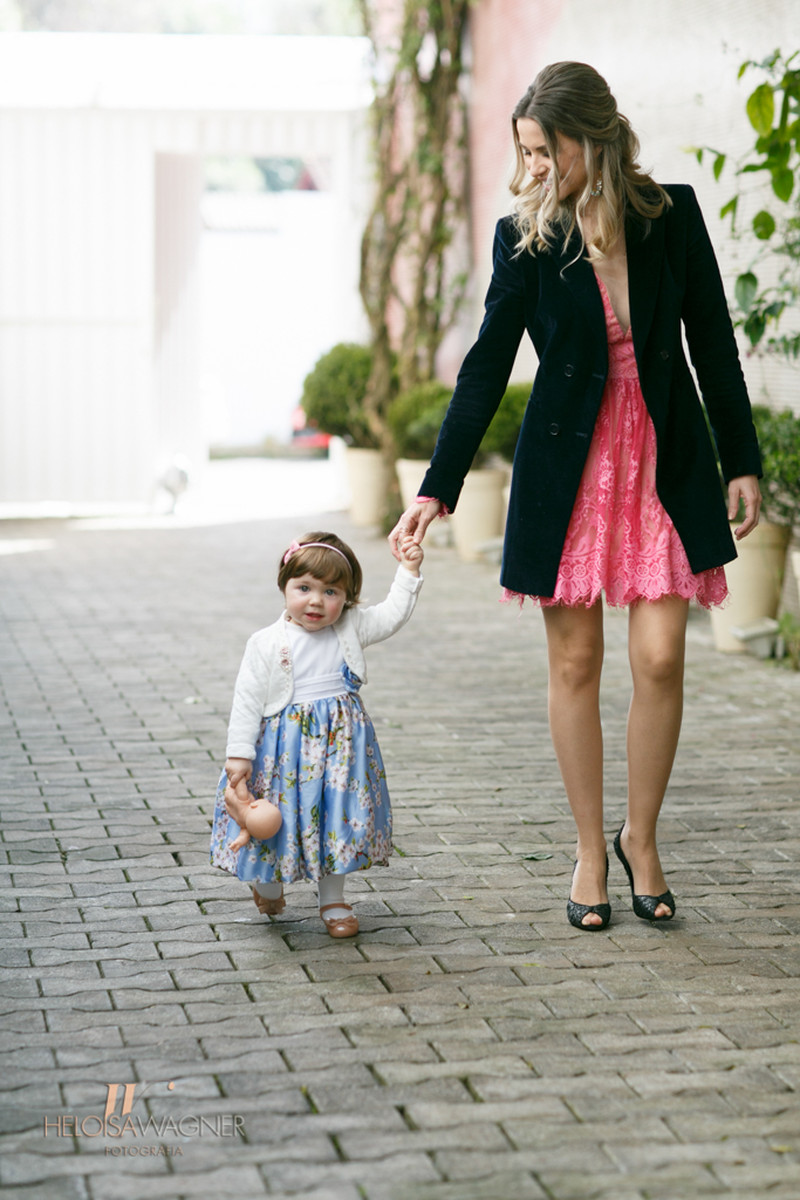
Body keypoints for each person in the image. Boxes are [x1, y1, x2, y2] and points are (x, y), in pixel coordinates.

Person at [389, 62, 762, 931]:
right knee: (575, 663)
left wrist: (740, 459)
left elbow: (713, 340)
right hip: (571, 468)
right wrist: (437, 488)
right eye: (523, 152)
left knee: (663, 656)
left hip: (663, 459)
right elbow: (486, 363)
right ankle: (592, 847)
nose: (533, 170)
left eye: (542, 151)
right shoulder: (527, 235)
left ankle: (645, 836)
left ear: (588, 139)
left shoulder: (670, 214)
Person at [210, 531, 423, 938]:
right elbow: (247, 700)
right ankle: (268, 885)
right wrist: (239, 755)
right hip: (283, 751)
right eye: (303, 588)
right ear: (284, 587)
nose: (316, 601)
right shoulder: (266, 642)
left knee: (335, 820)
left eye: (331, 592)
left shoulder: (350, 627)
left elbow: (393, 613)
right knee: (277, 821)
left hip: (341, 750)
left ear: (347, 598)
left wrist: (409, 570)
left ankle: (334, 900)